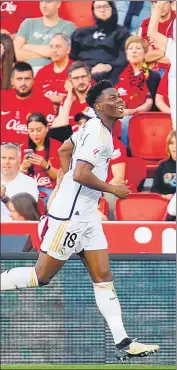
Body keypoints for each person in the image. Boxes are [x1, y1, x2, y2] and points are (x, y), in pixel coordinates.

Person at [1, 80, 160, 363]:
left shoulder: (92, 127)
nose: (120, 100)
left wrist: (62, 182)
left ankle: (123, 342)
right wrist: (113, 189)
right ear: (100, 106)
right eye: (113, 97)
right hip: (70, 217)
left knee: (103, 277)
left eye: (119, 95)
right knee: (42, 276)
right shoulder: (98, 134)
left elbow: (64, 150)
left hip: (86, 216)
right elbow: (81, 173)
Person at [70, 0, 130, 84]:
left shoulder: (122, 32)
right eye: (98, 7)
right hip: (83, 72)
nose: (102, 10)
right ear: (93, 11)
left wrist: (109, 66)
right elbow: (72, 56)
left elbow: (124, 57)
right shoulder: (81, 33)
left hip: (110, 72)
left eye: (105, 6)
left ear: (112, 8)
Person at [1, 62, 57, 147]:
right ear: (12, 81)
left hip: (30, 152)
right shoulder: (2, 97)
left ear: (33, 80)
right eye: (19, 79)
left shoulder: (45, 103)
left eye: (27, 79)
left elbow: (48, 136)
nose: (23, 83)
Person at [14, 0, 76, 74]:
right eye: (41, 1)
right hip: (26, 73)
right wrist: (46, 52)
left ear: (58, 4)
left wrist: (26, 46)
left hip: (53, 73)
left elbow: (57, 52)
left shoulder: (68, 26)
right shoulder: (28, 23)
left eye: (48, 1)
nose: (44, 5)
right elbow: (15, 54)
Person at [115, 36, 155, 147]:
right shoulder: (119, 73)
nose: (134, 51)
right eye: (130, 48)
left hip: (141, 115)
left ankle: (124, 156)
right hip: (121, 113)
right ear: (126, 54)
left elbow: (149, 103)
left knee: (125, 121)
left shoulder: (152, 75)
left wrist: (132, 111)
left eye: (138, 48)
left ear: (145, 53)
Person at [20, 113, 62, 206]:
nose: (35, 134)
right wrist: (23, 168)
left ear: (46, 128)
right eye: (31, 130)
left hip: (51, 190)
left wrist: (46, 165)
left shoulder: (57, 146)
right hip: (30, 190)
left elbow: (59, 177)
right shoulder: (23, 147)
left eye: (39, 130)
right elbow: (16, 178)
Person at [148, 1, 176, 129]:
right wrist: (159, 5)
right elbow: (152, 33)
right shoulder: (173, 48)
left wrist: (160, 5)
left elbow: (152, 33)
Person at [34, 33, 73, 112]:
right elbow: (34, 97)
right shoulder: (42, 72)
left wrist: (59, 99)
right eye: (51, 47)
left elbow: (84, 97)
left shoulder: (77, 70)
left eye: (58, 46)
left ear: (68, 49)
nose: (54, 50)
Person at [52, 61, 94, 132]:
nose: (81, 81)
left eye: (83, 77)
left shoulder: (99, 97)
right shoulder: (67, 101)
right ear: (70, 80)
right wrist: (68, 100)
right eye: (76, 78)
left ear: (89, 77)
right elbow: (58, 129)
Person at [138, 0, 175, 77]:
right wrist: (164, 52)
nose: (160, 6)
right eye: (156, 2)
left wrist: (152, 55)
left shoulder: (175, 22)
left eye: (163, 2)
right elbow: (140, 56)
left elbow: (173, 58)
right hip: (147, 71)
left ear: (170, 3)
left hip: (169, 73)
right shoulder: (145, 23)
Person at [1, 143, 39, 211]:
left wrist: (4, 198)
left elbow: (28, 213)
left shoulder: (29, 183)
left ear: (19, 161)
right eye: (3, 158)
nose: (7, 162)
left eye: (11, 158)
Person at [151, 130, 176, 200]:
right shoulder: (162, 166)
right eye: (171, 143)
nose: (175, 146)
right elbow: (154, 190)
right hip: (166, 205)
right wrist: (163, 196)